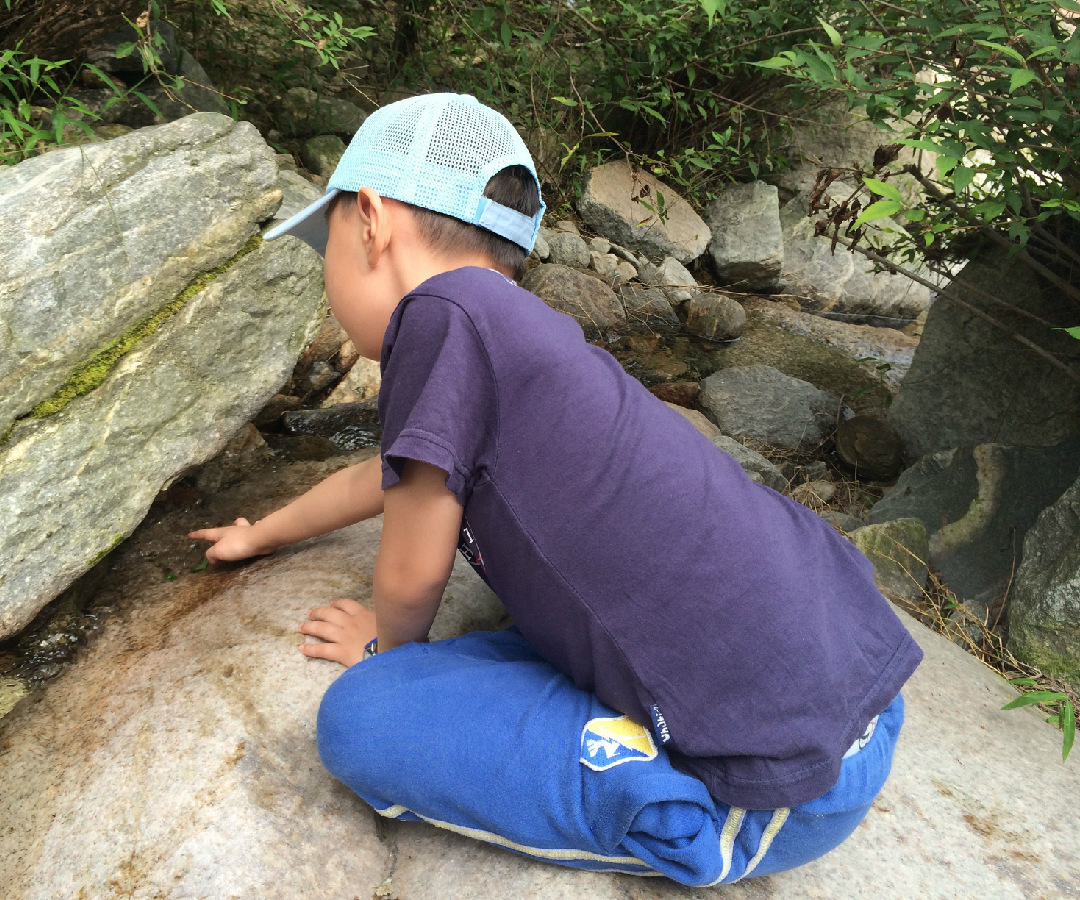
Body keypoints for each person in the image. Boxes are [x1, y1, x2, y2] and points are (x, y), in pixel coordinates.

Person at [189, 93, 923, 886]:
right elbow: (387, 475)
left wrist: (388, 650)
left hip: (784, 776)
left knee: (363, 720)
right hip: (849, 672)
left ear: (370, 220)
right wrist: (262, 533)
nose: (327, 284)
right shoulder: (505, 325)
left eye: (325, 247)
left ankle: (679, 811)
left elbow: (413, 570)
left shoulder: (434, 316)